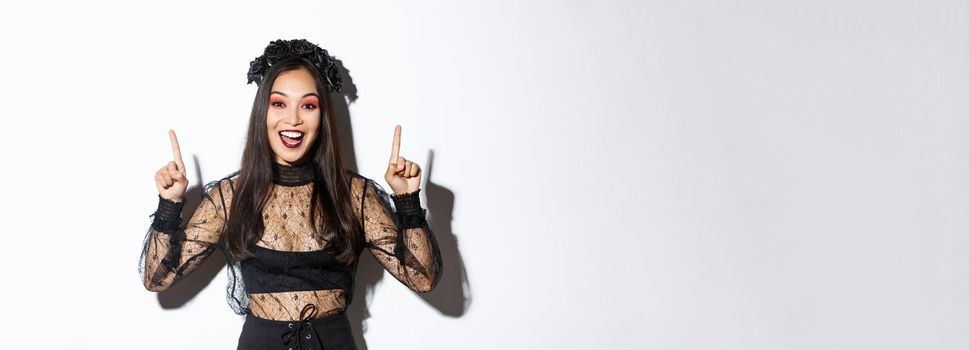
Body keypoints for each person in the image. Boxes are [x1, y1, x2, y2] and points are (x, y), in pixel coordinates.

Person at [138, 39, 443, 350]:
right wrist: (169, 205)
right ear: (263, 112)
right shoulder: (231, 195)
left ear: (321, 117)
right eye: (279, 103)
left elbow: (422, 278)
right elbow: (157, 278)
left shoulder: (354, 195)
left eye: (308, 105)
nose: (294, 119)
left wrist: (407, 202)